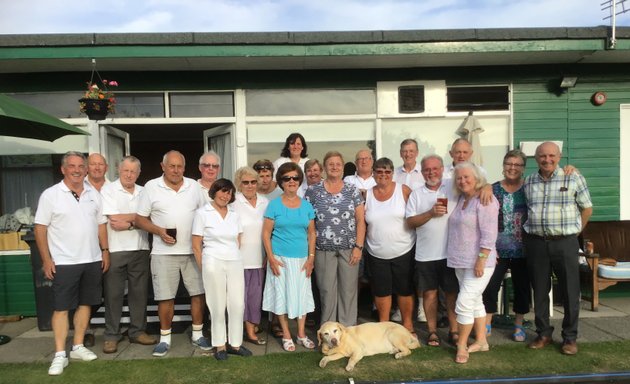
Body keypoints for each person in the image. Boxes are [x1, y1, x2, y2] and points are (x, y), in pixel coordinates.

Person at [34, 151, 110, 375]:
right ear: (63, 169)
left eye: (80, 166)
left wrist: (105, 251)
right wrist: (46, 259)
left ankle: (77, 346)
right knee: (61, 308)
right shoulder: (51, 195)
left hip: (92, 259)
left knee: (86, 304)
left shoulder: (93, 194)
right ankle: (59, 354)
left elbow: (101, 225)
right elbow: (40, 228)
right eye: (72, 166)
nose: (77, 170)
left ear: (85, 169)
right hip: (64, 261)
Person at [135, 150, 210, 357]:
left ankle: (197, 334)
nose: (176, 170)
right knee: (165, 297)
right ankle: (165, 338)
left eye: (179, 166)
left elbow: (206, 215)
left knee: (198, 293)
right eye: (172, 166)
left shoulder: (194, 186)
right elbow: (139, 219)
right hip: (163, 253)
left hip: (192, 251)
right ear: (163, 166)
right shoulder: (151, 187)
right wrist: (159, 231)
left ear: (184, 168)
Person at [523, 141, 592, 355]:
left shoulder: (573, 177)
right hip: (537, 243)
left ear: (559, 156)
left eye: (552, 155)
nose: (547, 160)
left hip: (565, 242)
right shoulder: (529, 181)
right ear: (536, 158)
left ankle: (569, 338)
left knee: (571, 291)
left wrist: (574, 233)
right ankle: (543, 333)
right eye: (542, 156)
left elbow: (587, 208)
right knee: (540, 290)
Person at [101, 156, 156, 354]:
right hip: (116, 249)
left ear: (139, 173)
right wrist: (138, 218)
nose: (129, 175)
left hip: (140, 248)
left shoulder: (144, 191)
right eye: (126, 171)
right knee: (113, 295)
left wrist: (132, 221)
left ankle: (137, 332)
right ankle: (111, 336)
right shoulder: (108, 190)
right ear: (119, 171)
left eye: (133, 171)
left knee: (139, 294)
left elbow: (150, 218)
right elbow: (114, 219)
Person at [192, 178, 253, 361]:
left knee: (237, 304)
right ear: (214, 191)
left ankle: (234, 343)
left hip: (234, 261)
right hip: (213, 261)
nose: (225, 196)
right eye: (222, 191)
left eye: (229, 192)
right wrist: (206, 267)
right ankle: (220, 345)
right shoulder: (203, 213)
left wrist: (232, 254)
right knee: (217, 305)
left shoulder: (234, 214)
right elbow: (196, 245)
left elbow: (238, 238)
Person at [304, 151, 366, 327]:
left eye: (338, 164)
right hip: (323, 249)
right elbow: (308, 223)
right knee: (326, 291)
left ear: (343, 167)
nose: (334, 167)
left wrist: (358, 247)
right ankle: (328, 331)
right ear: (324, 167)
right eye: (330, 164)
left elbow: (361, 220)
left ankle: (348, 331)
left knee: (348, 291)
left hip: (349, 249)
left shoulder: (351, 190)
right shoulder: (313, 191)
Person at [447, 162, 499, 364]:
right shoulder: (462, 199)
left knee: (464, 303)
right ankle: (482, 341)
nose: (462, 181)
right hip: (460, 260)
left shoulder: (485, 199)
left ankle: (461, 345)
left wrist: (481, 259)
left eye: (467, 177)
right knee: (475, 302)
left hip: (480, 262)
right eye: (459, 178)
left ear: (477, 178)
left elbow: (489, 233)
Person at [405, 154, 460, 347]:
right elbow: (410, 222)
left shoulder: (453, 187)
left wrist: (486, 187)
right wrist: (430, 213)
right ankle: (432, 331)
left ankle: (454, 331)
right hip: (425, 253)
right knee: (429, 294)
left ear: (442, 169)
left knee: (452, 294)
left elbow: (475, 186)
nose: (431, 172)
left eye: (435, 168)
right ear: (423, 171)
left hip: (451, 252)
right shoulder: (417, 194)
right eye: (427, 169)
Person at [262, 162, 317, 352]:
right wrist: (270, 258)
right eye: (287, 178)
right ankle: (286, 335)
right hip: (280, 259)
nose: (291, 181)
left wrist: (311, 258)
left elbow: (311, 233)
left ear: (300, 180)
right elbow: (266, 234)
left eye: (295, 177)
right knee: (282, 297)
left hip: (302, 260)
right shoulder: (274, 205)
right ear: (281, 182)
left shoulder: (307, 205)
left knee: (302, 297)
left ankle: (301, 334)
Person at [481, 149, 531, 342]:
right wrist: (485, 185)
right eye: (509, 164)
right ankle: (487, 323)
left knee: (521, 288)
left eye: (517, 165)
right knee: (490, 287)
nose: (512, 168)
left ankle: (519, 325)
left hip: (523, 250)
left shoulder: (528, 189)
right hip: (497, 250)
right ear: (503, 167)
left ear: (523, 168)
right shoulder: (492, 189)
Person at [364, 157, 416, 335]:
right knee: (381, 291)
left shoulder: (404, 190)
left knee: (405, 290)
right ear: (373, 174)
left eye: (387, 171)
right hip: (376, 251)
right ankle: (383, 327)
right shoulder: (367, 194)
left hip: (404, 250)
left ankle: (407, 325)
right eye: (379, 171)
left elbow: (417, 212)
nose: (383, 175)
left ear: (392, 173)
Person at [231, 166, 269, 345]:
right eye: (245, 182)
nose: (250, 185)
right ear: (239, 184)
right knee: (240, 299)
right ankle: (244, 333)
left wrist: (268, 255)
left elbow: (270, 231)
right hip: (239, 260)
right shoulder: (233, 203)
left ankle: (251, 328)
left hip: (259, 258)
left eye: (253, 181)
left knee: (255, 297)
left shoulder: (265, 202)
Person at [393, 138, 426, 322]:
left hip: (421, 228)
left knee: (420, 271)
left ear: (417, 152)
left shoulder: (423, 174)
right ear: (400, 153)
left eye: (411, 151)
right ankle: (400, 308)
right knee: (402, 272)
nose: (408, 154)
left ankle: (421, 308)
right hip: (400, 230)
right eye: (405, 151)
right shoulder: (393, 175)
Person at [83, 152, 110, 346]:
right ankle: (86, 330)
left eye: (101, 164)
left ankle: (112, 330)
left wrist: (106, 249)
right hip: (84, 248)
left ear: (106, 168)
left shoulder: (113, 188)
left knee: (109, 291)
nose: (97, 168)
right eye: (93, 164)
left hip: (109, 247)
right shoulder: (78, 187)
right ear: (87, 168)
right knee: (87, 293)